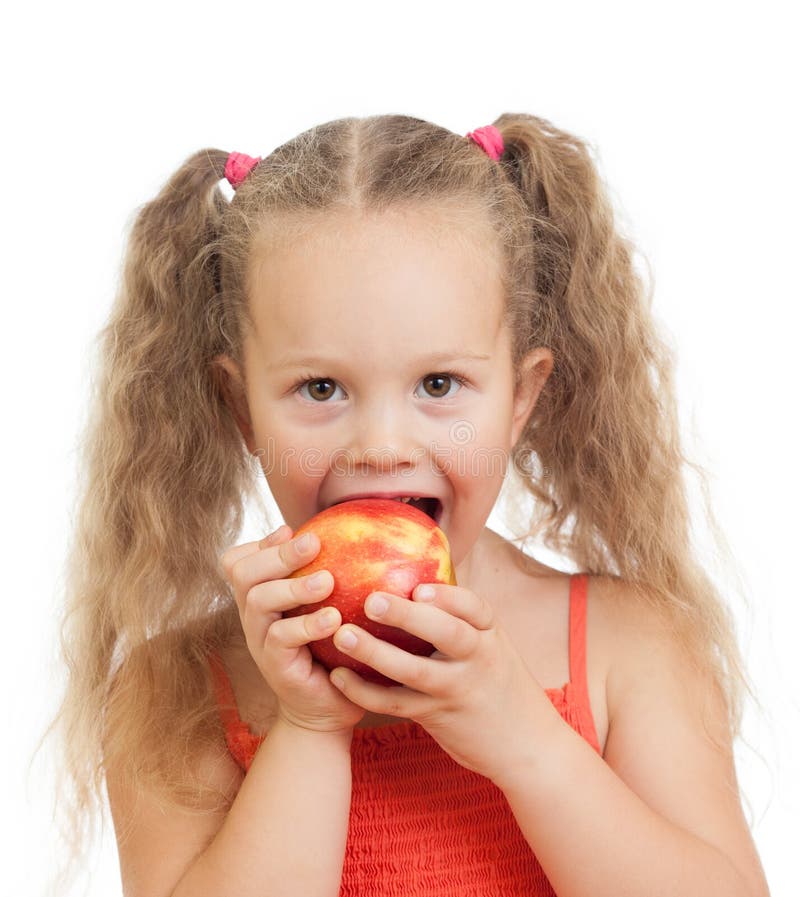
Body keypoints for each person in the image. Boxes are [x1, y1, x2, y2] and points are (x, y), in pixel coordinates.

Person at [54, 114, 770, 896]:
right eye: (320, 388)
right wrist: (309, 724)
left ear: (520, 399)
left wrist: (524, 737)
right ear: (240, 408)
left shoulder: (630, 645)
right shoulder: (180, 689)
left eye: (438, 385)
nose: (382, 445)